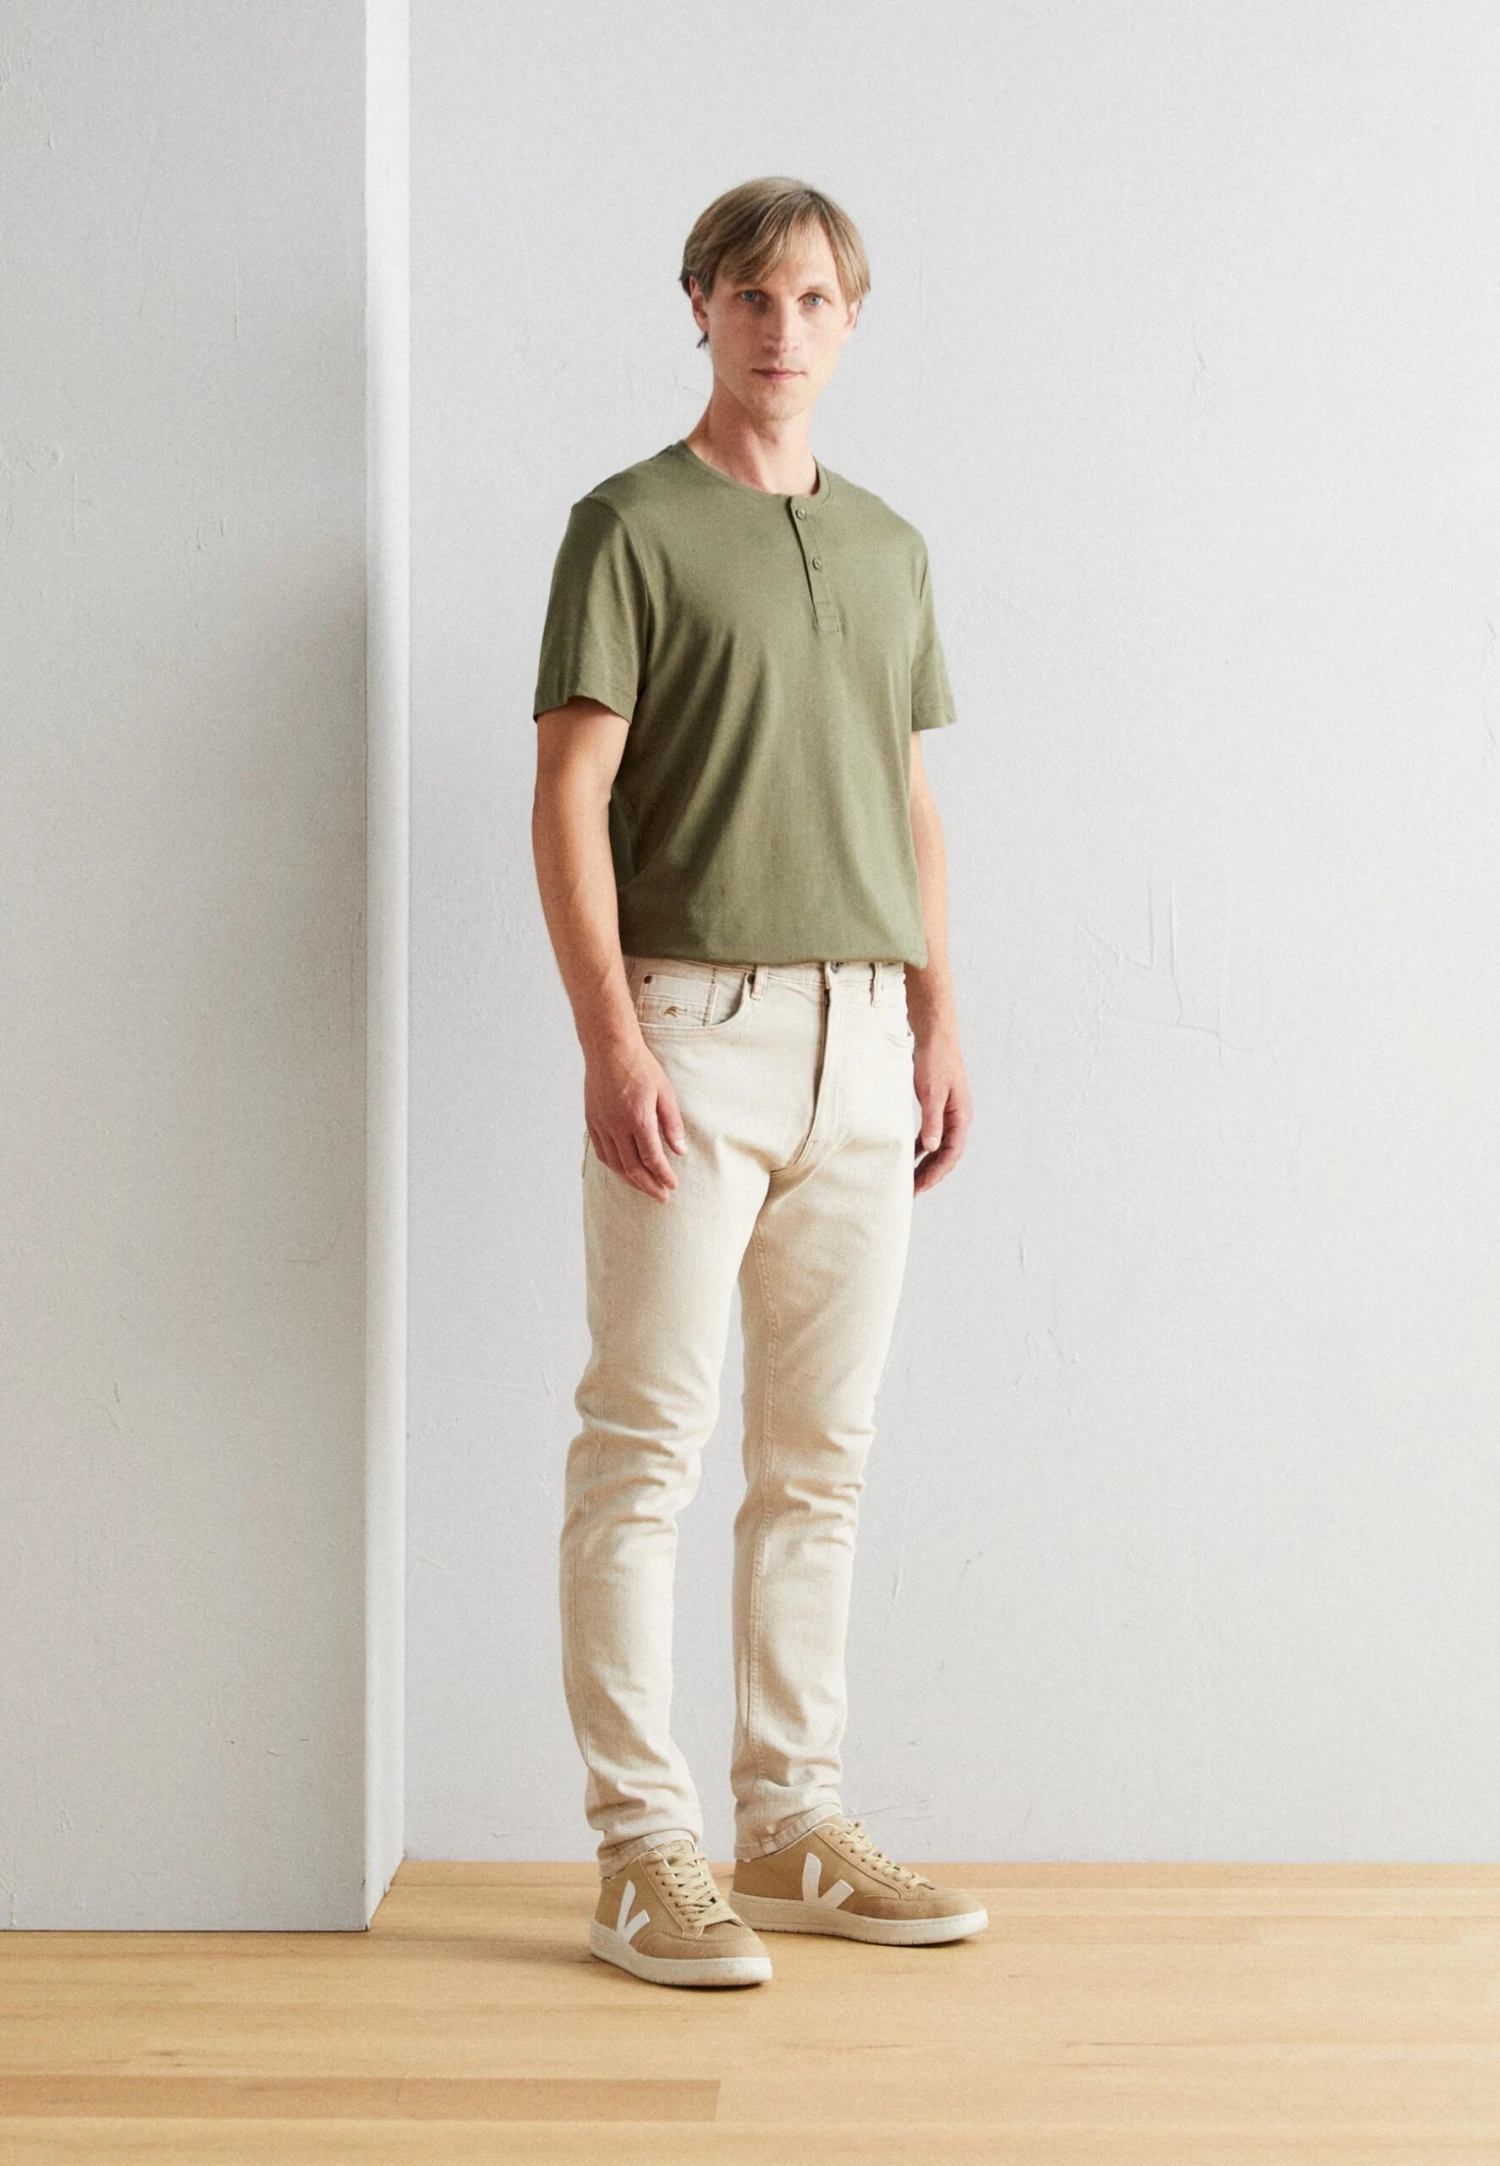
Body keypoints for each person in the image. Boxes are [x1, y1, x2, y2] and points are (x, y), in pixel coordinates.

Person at [530, 176, 984, 1990]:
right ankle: (643, 1853)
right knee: (644, 1445)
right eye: (748, 295)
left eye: (811, 299)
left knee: (820, 1461)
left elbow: (908, 798)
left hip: (864, 1040)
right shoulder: (628, 526)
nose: (780, 328)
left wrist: (939, 1019)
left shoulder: (890, 546)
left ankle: (790, 1824)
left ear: (850, 322)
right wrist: (609, 1036)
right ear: (700, 310)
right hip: (691, 1033)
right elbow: (571, 790)